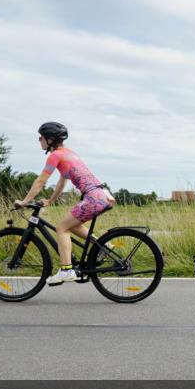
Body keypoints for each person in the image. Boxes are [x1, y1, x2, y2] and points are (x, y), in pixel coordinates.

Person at [15, 122, 115, 285]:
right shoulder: (69, 153)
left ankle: (67, 270)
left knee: (61, 228)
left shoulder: (55, 155)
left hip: (93, 197)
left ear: (50, 139)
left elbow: (40, 181)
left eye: (41, 137)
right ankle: (104, 246)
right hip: (103, 194)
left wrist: (24, 202)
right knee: (73, 226)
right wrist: (50, 200)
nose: (39, 140)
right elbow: (62, 182)